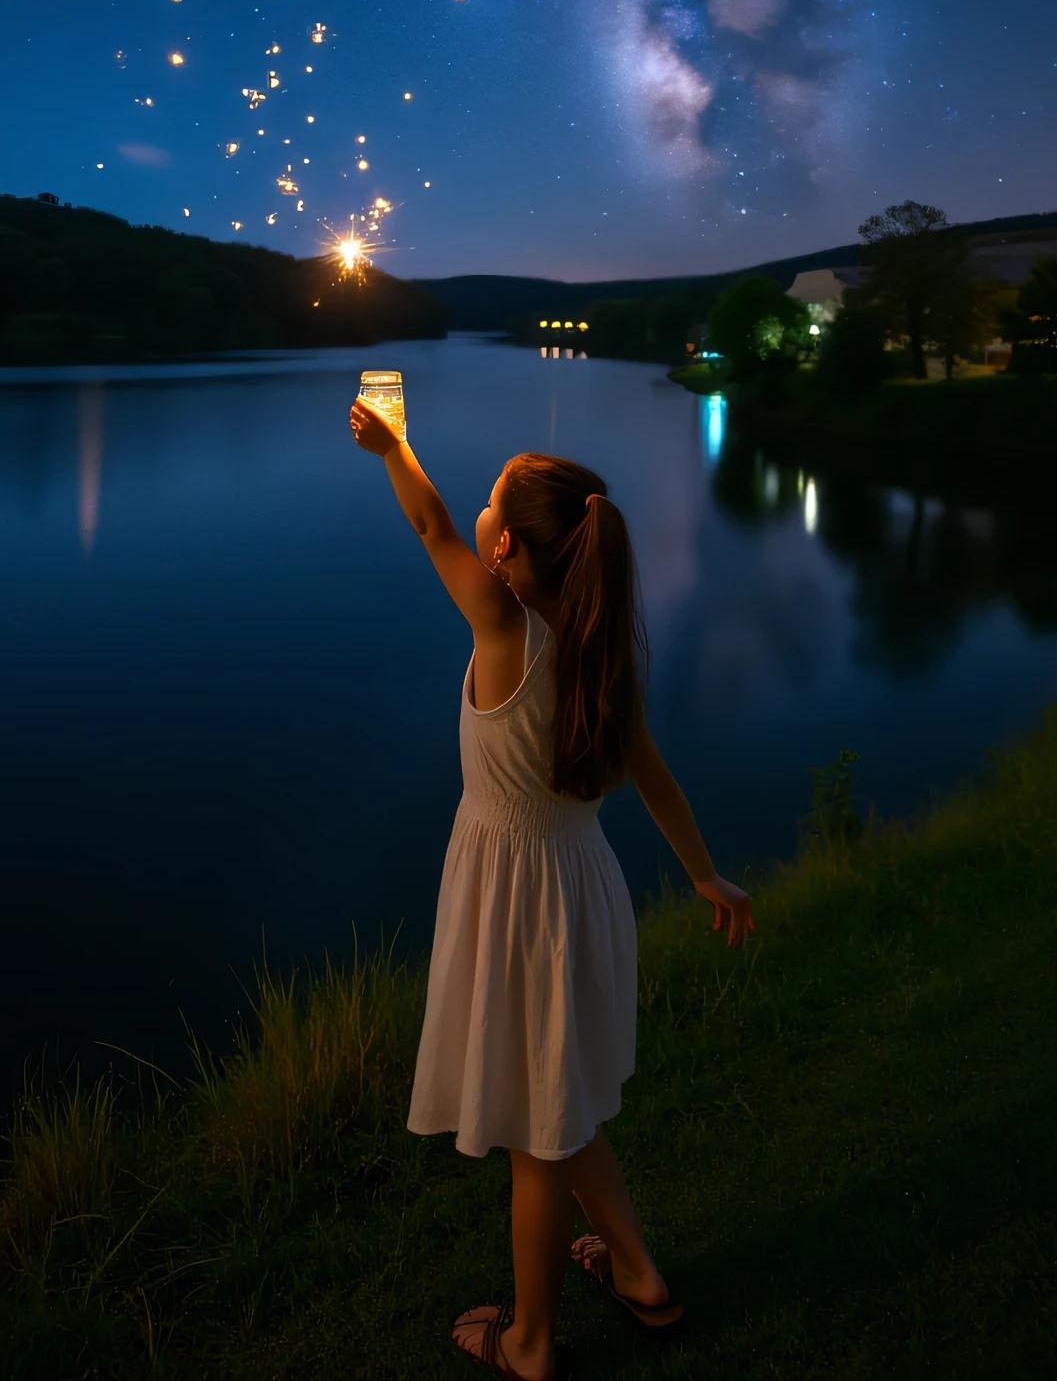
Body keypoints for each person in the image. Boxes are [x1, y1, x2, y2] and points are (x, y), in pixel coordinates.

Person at [349, 402, 755, 1380]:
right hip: (581, 891)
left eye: (495, 502)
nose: (479, 510)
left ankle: (529, 1341)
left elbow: (428, 525)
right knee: (564, 1106)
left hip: (515, 901)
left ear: (514, 553)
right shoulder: (597, 650)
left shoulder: (501, 627)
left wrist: (393, 447)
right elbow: (656, 780)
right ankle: (637, 1273)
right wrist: (702, 870)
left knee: (540, 1134)